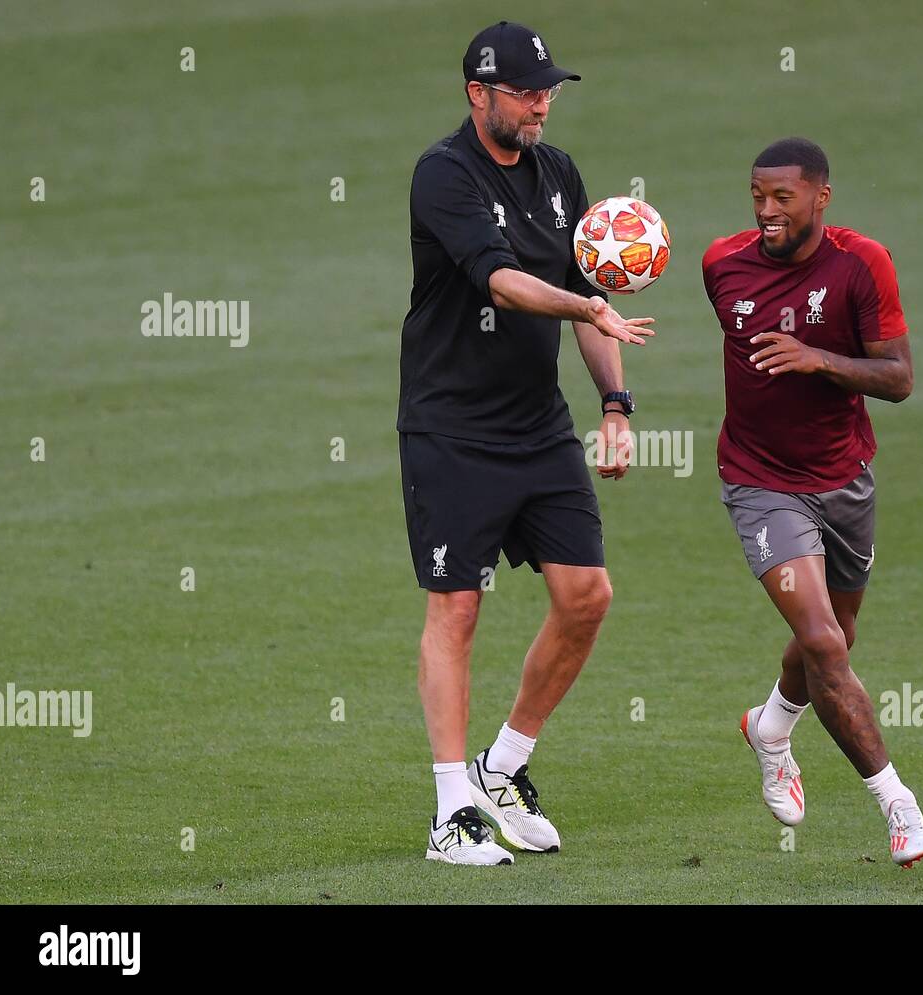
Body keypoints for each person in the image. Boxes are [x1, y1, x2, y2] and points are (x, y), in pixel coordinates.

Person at [400, 20, 653, 866]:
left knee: (588, 595)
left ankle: (501, 767)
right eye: (525, 90)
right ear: (479, 95)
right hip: (452, 428)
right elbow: (502, 282)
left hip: (537, 425)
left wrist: (615, 406)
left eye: (549, 88)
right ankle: (450, 812)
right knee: (457, 607)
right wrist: (585, 306)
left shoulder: (559, 173)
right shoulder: (444, 175)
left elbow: (593, 293)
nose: (542, 102)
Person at [702, 137, 923, 867]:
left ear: (820, 198)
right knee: (825, 641)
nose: (766, 211)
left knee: (838, 635)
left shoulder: (862, 264)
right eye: (757, 196)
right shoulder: (721, 265)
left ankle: (772, 724)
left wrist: (818, 359)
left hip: (844, 479)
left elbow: (898, 379)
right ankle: (898, 805)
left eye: (783, 197)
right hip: (759, 482)